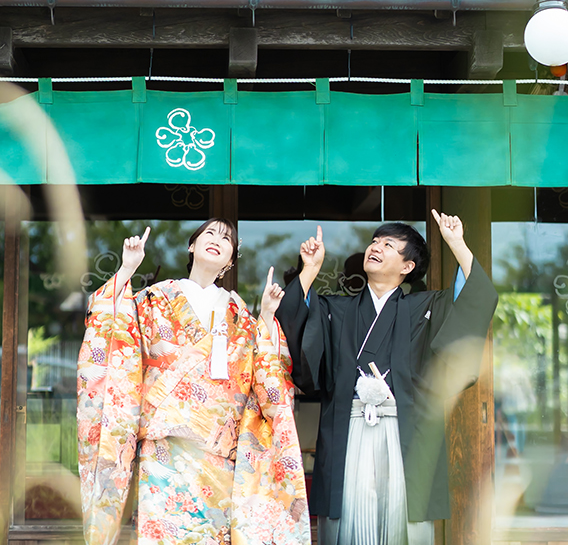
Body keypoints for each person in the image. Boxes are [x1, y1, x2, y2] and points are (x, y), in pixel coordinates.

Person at [77, 218, 310, 545]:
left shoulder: (239, 313)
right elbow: (112, 329)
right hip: (164, 449)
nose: (217, 239)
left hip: (218, 451)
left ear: (231, 258)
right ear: (192, 245)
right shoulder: (154, 298)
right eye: (209, 233)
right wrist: (127, 270)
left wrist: (268, 319)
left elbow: (265, 371)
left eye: (226, 238)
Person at [275, 210, 498, 545]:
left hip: (404, 427)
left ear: (407, 267)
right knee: (347, 516)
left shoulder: (425, 307)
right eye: (374, 241)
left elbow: (474, 301)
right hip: (348, 428)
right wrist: (309, 271)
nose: (375, 247)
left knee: (403, 520)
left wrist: (457, 244)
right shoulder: (337, 309)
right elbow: (293, 321)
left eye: (389, 244)